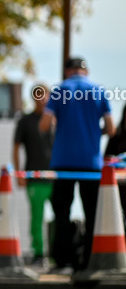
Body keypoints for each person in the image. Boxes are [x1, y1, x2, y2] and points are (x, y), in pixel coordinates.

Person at [40, 57, 115, 273]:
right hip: (91, 162)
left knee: (61, 211)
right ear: (86, 71)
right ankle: (90, 260)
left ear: (67, 71)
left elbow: (44, 125)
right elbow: (110, 129)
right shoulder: (99, 90)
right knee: (92, 212)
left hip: (63, 160)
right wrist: (91, 133)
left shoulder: (59, 90)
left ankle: (63, 261)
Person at [13, 85, 55, 267]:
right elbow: (15, 148)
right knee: (37, 218)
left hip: (56, 177)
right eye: (38, 96)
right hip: (35, 177)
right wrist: (19, 174)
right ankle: (39, 254)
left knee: (61, 217)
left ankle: (59, 254)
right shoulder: (25, 121)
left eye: (44, 95)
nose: (42, 99)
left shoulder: (56, 120)